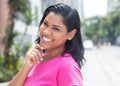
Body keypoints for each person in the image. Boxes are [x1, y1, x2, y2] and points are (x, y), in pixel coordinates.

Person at [8, 3, 85, 86]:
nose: (46, 32)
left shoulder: (67, 67)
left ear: (70, 34)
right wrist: (26, 66)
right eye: (45, 24)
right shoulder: (37, 59)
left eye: (56, 28)